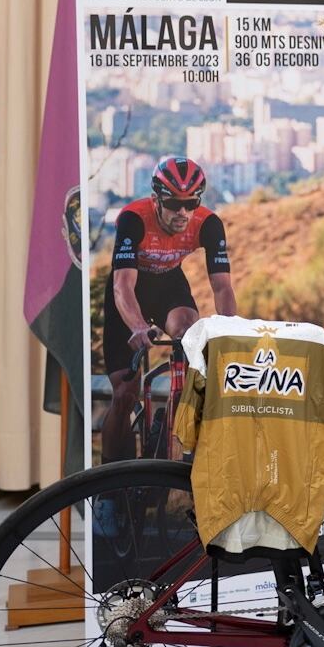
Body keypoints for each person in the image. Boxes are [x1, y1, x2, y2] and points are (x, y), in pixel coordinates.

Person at [99, 155, 236, 463]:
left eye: (191, 203)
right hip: (131, 288)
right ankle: (108, 489)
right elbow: (122, 285)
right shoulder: (133, 218)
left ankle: (181, 411)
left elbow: (223, 287)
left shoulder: (209, 223)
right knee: (124, 394)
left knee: (190, 330)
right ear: (156, 199)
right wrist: (136, 326)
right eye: (174, 203)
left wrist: (231, 332)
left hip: (168, 286)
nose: (183, 212)